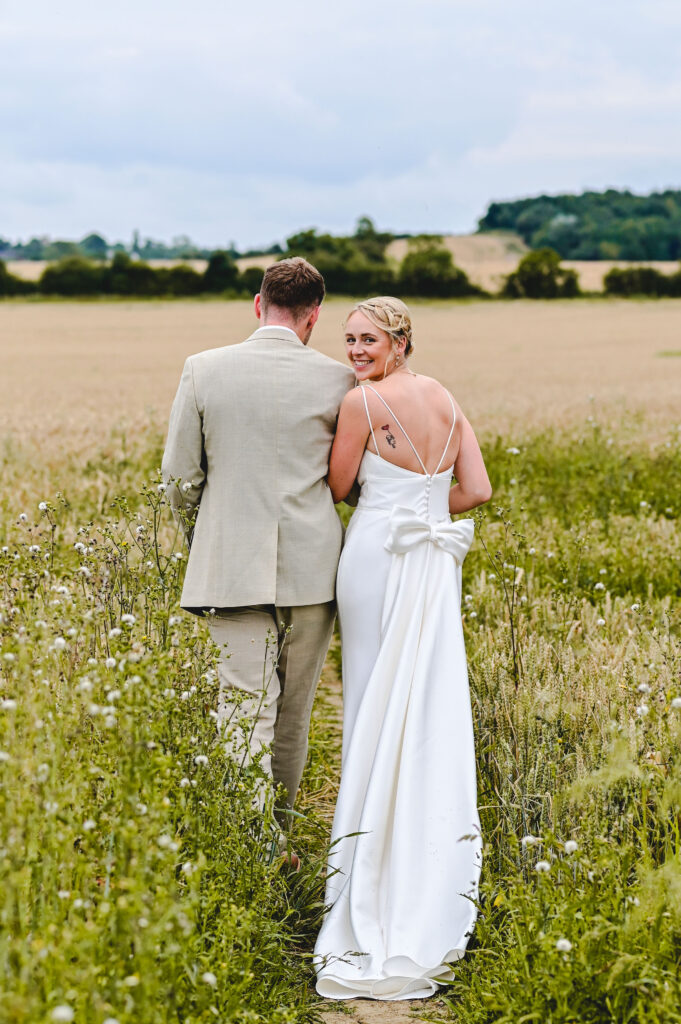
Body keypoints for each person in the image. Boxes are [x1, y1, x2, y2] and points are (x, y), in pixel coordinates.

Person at [314, 296, 492, 1000]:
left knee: (369, 701)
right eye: (349, 339)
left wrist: (392, 509)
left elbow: (336, 485)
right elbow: (474, 489)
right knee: (424, 702)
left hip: (376, 558)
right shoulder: (444, 398)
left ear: (398, 340)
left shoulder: (362, 403)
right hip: (431, 564)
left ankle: (368, 873)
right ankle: (422, 864)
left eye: (367, 339)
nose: (356, 351)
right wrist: (422, 509)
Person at [161, 257, 355, 838]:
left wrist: (207, 537)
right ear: (313, 317)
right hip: (313, 570)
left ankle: (253, 851)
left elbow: (178, 479)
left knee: (243, 711)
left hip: (228, 565)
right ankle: (281, 837)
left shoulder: (203, 369)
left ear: (257, 303)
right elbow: (349, 482)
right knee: (293, 717)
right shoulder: (339, 379)